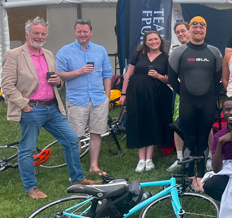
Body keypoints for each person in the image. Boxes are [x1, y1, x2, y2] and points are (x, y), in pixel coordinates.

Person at [1, 17, 99, 198]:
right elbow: (7, 85)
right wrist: (24, 105)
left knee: (70, 140)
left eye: (43, 34)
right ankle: (31, 188)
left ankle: (77, 179)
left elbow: (56, 80)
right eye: (36, 33)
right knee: (28, 149)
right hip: (32, 108)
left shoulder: (48, 54)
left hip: (52, 108)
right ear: (27, 34)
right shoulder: (14, 54)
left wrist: (58, 82)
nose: (39, 36)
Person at [169, 16, 223, 191]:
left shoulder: (214, 52)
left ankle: (200, 177)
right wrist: (185, 93)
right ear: (189, 29)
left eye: (202, 26)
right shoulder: (179, 52)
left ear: (205, 30)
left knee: (202, 140)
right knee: (189, 140)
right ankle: (189, 176)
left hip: (207, 103)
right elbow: (172, 79)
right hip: (187, 103)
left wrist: (208, 96)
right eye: (195, 26)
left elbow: (217, 80)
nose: (198, 29)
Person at [56, 18, 112, 175]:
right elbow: (60, 74)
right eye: (79, 31)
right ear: (75, 32)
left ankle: (94, 166)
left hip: (98, 99)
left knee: (96, 133)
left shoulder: (100, 50)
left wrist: (106, 95)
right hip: (76, 100)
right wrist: (79, 71)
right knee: (75, 137)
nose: (82, 34)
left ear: (91, 32)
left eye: (85, 31)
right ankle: (75, 170)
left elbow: (107, 74)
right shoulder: (64, 51)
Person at [121, 30, 172, 172]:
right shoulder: (138, 55)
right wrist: (123, 94)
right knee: (138, 122)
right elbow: (128, 75)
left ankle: (149, 159)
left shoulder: (166, 58)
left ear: (160, 41)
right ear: (145, 42)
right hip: (136, 94)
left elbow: (169, 79)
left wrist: (158, 76)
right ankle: (140, 159)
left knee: (152, 122)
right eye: (150, 40)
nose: (153, 42)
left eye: (156, 39)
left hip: (156, 95)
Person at [168, 21, 191, 172]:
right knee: (177, 123)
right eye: (178, 32)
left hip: (199, 92)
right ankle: (180, 158)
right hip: (180, 93)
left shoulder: (200, 47)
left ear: (189, 31)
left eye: (183, 30)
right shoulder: (175, 51)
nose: (181, 34)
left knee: (205, 123)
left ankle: (207, 157)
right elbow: (171, 73)